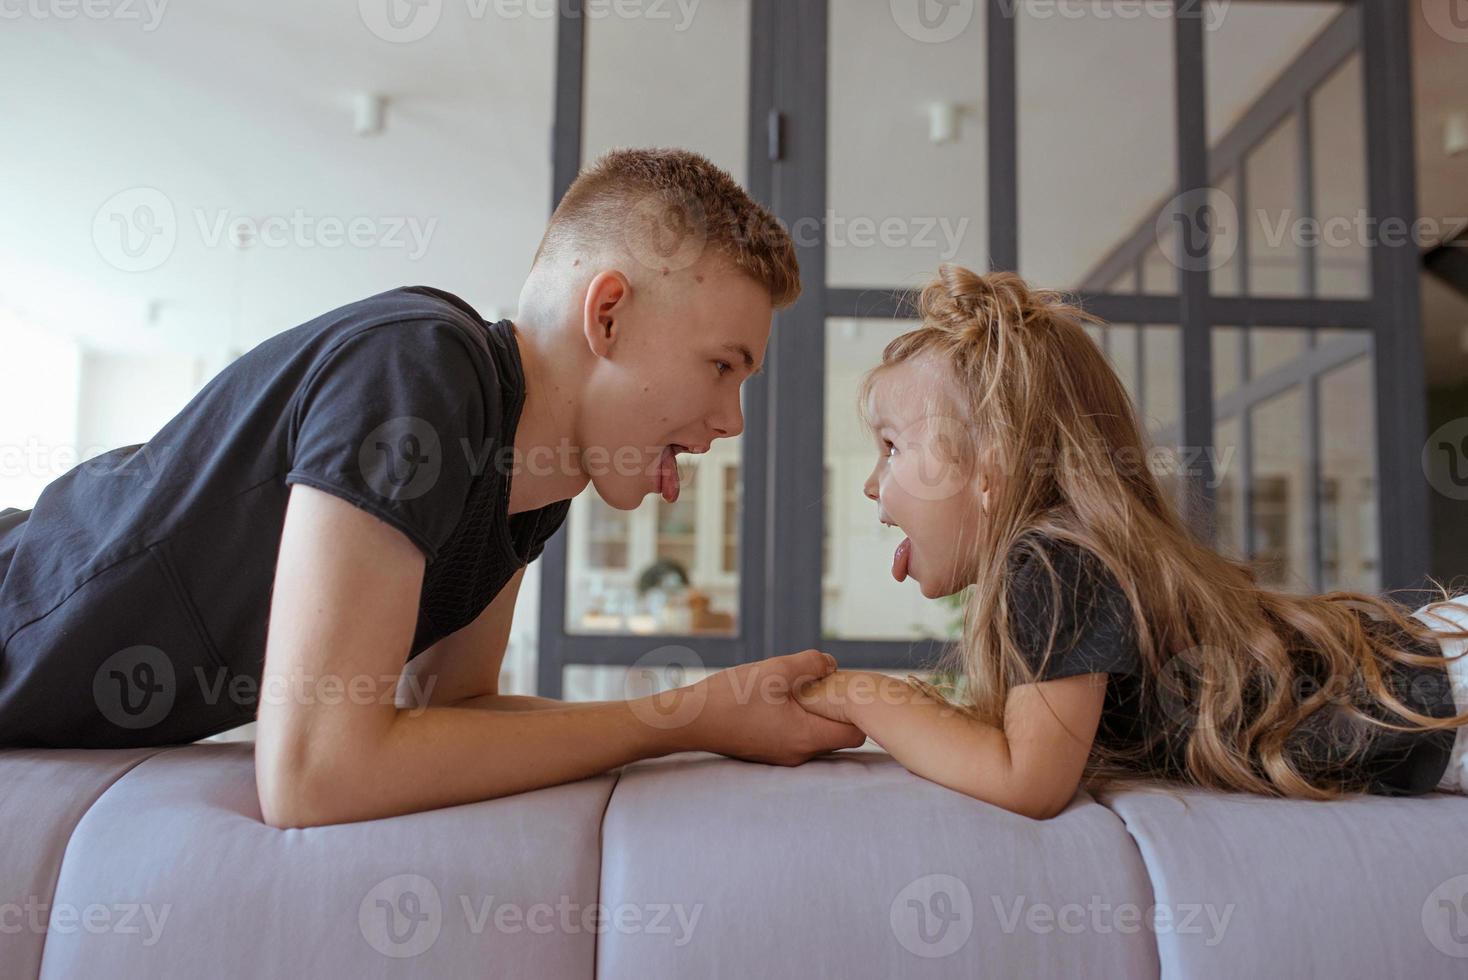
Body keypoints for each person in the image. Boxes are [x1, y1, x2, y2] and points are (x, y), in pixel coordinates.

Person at [0, 148, 865, 827]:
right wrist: (689, 717)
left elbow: (452, 706)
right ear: (607, 316)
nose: (733, 420)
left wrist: (715, 713)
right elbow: (315, 774)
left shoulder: (534, 483)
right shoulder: (420, 368)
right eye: (722, 366)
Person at [795, 264, 1468, 819]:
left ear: (991, 468)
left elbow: (1029, 781)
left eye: (891, 447)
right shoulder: (1058, 557)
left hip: (1443, 693)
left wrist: (863, 696)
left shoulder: (1050, 560)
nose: (872, 485)